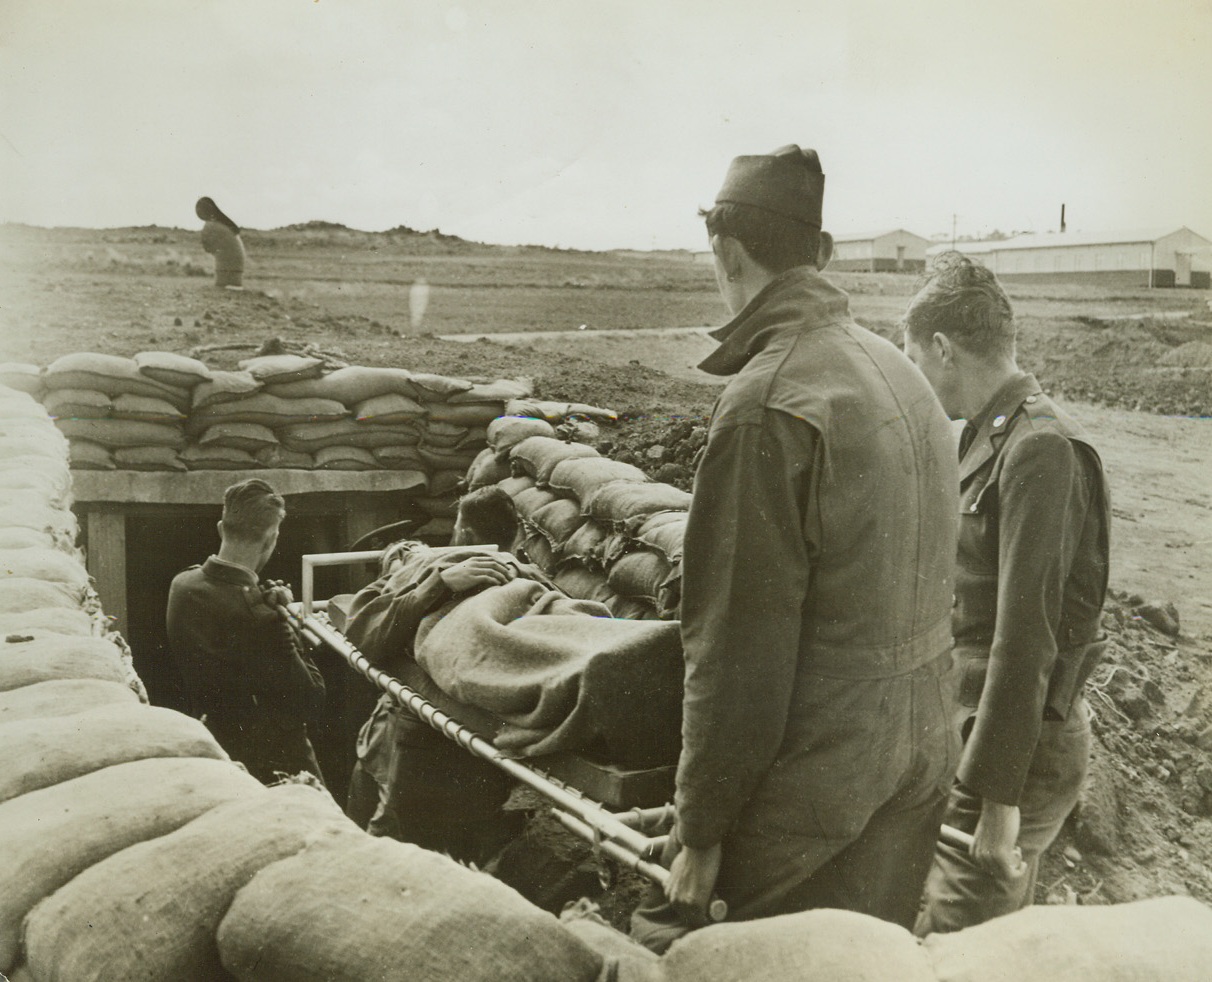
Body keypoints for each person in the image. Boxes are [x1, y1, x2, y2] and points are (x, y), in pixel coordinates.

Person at [630, 144, 961, 952]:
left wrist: (701, 829)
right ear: (818, 253)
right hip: (924, 748)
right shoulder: (899, 371)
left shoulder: (768, 402)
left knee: (689, 948)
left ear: (728, 253)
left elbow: (737, 648)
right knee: (864, 958)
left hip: (827, 771)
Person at [903, 253, 1111, 934]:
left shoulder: (1038, 449)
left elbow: (1025, 642)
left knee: (957, 948)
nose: (915, 377)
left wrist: (997, 804)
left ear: (942, 348)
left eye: (914, 358)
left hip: (1017, 759)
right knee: (995, 947)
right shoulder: (992, 436)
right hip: (983, 738)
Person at [343, 486, 526, 864]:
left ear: (465, 535)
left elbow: (364, 630)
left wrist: (425, 575)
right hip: (482, 741)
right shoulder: (526, 573)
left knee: (391, 846)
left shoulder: (430, 569)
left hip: (419, 746)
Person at [166, 478, 326, 784]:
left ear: (220, 528)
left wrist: (262, 603)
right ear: (270, 541)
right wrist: (283, 620)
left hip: (215, 746)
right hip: (274, 763)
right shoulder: (261, 618)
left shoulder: (182, 584)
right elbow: (313, 699)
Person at [196, 196, 246, 289]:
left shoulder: (210, 225)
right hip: (237, 270)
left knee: (221, 287)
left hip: (225, 270)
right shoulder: (223, 223)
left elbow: (207, 247)